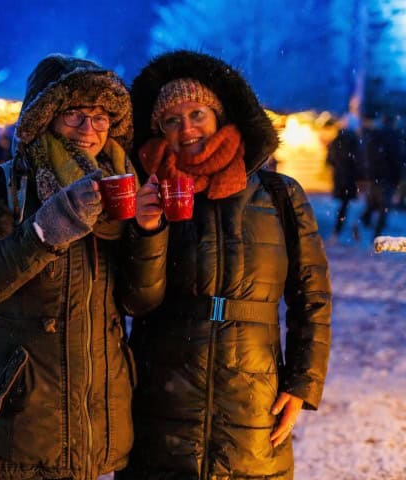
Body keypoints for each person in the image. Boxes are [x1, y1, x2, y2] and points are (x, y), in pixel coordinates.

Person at [119, 50, 332, 480]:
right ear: (158, 130)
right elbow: (135, 301)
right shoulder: (147, 193)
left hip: (254, 394)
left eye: (197, 113)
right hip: (164, 393)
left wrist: (301, 384)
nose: (187, 129)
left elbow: (312, 296)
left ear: (220, 115)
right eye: (171, 121)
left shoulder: (279, 195)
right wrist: (146, 230)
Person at [0, 54, 167, 480]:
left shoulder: (120, 185)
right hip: (22, 420)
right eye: (74, 114)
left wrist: (147, 231)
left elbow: (138, 300)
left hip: (94, 422)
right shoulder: (2, 186)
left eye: (101, 116)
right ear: (45, 117)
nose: (90, 129)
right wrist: (46, 230)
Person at [357, 113, 402, 239]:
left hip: (374, 176)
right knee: (384, 207)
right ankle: (376, 235)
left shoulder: (374, 137)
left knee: (373, 203)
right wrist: (397, 177)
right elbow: (396, 159)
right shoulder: (393, 138)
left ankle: (362, 223)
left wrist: (368, 174)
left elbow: (366, 157)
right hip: (387, 178)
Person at [326, 121, 361, 239]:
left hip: (340, 178)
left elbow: (329, 161)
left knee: (343, 205)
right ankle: (350, 231)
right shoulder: (354, 142)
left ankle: (338, 230)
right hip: (350, 178)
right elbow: (358, 161)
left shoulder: (336, 141)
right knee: (348, 205)